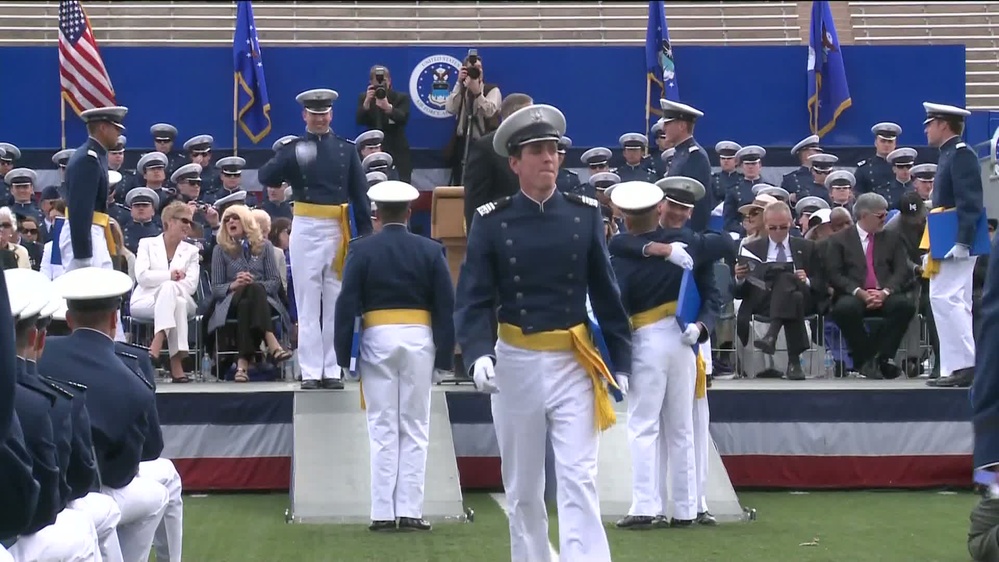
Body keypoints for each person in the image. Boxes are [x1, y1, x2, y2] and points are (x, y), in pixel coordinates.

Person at [454, 103, 631, 562]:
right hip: (516, 361)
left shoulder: (584, 214)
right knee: (524, 487)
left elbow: (606, 293)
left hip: (574, 360)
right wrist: (477, 352)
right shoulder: (492, 220)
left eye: (553, 149)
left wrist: (622, 361)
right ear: (514, 163)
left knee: (579, 477)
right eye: (536, 151)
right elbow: (473, 295)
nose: (549, 158)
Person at [333, 180, 455, 532]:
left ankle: (382, 512)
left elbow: (346, 304)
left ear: (377, 214)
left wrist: (344, 356)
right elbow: (445, 307)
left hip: (377, 338)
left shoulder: (361, 250)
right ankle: (410, 510)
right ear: (409, 212)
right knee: (415, 426)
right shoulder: (430, 250)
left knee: (382, 425)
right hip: (419, 338)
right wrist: (444, 358)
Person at [606, 178, 726, 530]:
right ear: (658, 208)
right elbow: (713, 282)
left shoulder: (624, 253)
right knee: (682, 427)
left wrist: (619, 359)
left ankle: (646, 506)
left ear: (627, 216)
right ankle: (686, 509)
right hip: (684, 342)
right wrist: (700, 327)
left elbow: (617, 306)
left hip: (648, 340)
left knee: (643, 425)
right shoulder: (689, 243)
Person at [38, 267, 169, 562]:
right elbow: (133, 466)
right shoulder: (134, 383)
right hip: (86, 489)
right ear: (114, 319)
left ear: (68, 319)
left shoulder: (40, 354)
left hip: (41, 488)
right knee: (156, 495)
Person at [258, 88, 372, 390]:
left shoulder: (346, 150)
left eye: (324, 114)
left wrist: (365, 237)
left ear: (331, 115)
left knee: (336, 301)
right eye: (314, 114)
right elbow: (266, 176)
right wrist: (290, 156)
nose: (319, 119)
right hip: (306, 225)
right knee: (307, 301)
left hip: (337, 228)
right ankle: (310, 370)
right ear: (304, 116)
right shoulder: (295, 148)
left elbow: (360, 195)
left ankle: (332, 369)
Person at [3, 269, 102, 562]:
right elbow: (46, 506)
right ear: (38, 337)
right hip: (14, 535)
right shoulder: (39, 403)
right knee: (85, 532)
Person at [25, 286, 125, 562]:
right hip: (20, 530)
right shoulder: (48, 404)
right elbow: (80, 481)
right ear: (38, 338)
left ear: (69, 320)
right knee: (85, 526)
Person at [922, 102, 981, 388]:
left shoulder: (960, 154)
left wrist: (963, 241)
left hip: (955, 234)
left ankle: (965, 364)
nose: (926, 130)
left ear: (943, 124)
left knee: (946, 298)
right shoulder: (948, 154)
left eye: (929, 124)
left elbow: (970, 202)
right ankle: (956, 366)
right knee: (952, 300)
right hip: (945, 232)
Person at [825, 193, 916, 379]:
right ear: (864, 215)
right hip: (854, 293)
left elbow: (901, 270)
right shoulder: (839, 240)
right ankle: (867, 359)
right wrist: (859, 292)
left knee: (905, 306)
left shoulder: (893, 238)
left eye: (886, 214)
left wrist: (885, 292)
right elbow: (835, 274)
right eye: (880, 215)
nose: (885, 219)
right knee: (844, 309)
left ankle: (880, 357)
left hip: (885, 292)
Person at [734, 201, 824, 380]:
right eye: (772, 228)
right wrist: (739, 277)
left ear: (791, 223)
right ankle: (794, 363)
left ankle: (771, 335)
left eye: (783, 227)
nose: (778, 232)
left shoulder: (807, 247)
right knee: (792, 296)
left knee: (788, 283)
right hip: (763, 299)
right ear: (765, 224)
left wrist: (806, 280)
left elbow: (821, 282)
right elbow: (738, 293)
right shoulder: (751, 249)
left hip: (802, 297)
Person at [207, 205, 291, 382]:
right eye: (227, 219)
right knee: (249, 291)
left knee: (250, 298)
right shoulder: (220, 250)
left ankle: (242, 365)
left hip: (263, 302)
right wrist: (235, 285)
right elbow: (216, 289)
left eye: (235, 218)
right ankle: (271, 341)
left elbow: (274, 282)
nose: (230, 221)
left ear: (245, 221)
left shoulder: (265, 246)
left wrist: (253, 284)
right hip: (231, 301)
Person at [129, 201, 200, 383]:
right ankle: (176, 364)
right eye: (184, 221)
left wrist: (167, 284)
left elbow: (190, 286)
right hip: (146, 301)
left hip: (184, 298)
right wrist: (170, 276)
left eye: (190, 222)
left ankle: (158, 341)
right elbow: (142, 277)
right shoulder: (147, 244)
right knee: (176, 302)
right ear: (169, 222)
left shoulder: (192, 251)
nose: (188, 226)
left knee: (172, 291)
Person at [62, 106, 127, 273]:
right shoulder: (87, 159)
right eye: (116, 128)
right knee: (85, 285)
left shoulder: (97, 155)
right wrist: (83, 253)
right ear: (103, 128)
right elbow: (80, 209)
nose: (119, 133)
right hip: (85, 232)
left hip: (95, 229)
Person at [462, 93, 533, 231]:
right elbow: (475, 201)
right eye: (528, 115)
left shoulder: (534, 145)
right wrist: (476, 236)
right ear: (513, 117)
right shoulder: (486, 148)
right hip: (501, 230)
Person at [445, 51, 502, 185]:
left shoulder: (491, 90)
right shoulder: (461, 90)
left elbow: (490, 111)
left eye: (479, 68)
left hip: (484, 141)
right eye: (472, 68)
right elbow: (450, 108)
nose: (477, 71)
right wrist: (459, 84)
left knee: (482, 180)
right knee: (460, 180)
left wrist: (478, 93)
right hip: (462, 142)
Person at [659, 99, 713, 233]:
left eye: (668, 123)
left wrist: (688, 237)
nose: (664, 128)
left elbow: (695, 204)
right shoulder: (680, 153)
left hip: (686, 233)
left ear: (682, 126)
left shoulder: (695, 156)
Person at [356, 65, 413, 182]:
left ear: (390, 81)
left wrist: (389, 108)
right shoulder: (364, 98)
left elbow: (403, 119)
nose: (381, 85)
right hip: (373, 149)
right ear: (371, 82)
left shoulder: (401, 98)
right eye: (377, 82)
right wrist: (366, 104)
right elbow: (359, 121)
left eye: (384, 81)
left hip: (397, 149)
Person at [855, 122, 901, 196]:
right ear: (876, 143)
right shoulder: (864, 168)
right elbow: (857, 194)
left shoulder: (902, 166)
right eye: (883, 141)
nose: (886, 145)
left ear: (895, 144)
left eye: (890, 142)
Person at [782, 135, 822, 203]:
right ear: (807, 155)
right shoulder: (790, 179)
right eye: (816, 151)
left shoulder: (827, 176)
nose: (820, 154)